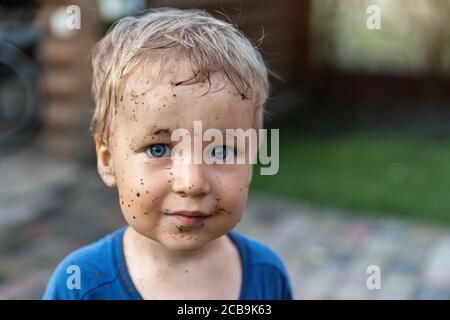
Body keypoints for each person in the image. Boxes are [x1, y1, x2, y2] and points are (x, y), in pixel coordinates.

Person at [43, 7, 293, 300]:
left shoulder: (268, 275)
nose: (191, 182)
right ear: (108, 160)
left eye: (222, 150)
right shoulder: (81, 285)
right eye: (158, 149)